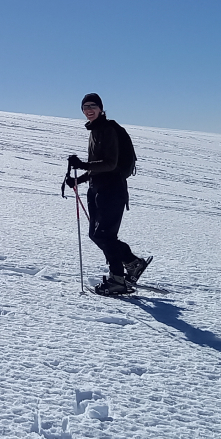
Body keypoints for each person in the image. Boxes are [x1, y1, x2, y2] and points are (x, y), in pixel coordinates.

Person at [66, 93, 149, 295]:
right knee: (96, 234)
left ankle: (117, 280)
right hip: (98, 189)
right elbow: (98, 168)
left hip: (112, 190)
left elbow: (110, 164)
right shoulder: (95, 131)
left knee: (105, 235)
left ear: (101, 108)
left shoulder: (108, 129)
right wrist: (79, 179)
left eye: (93, 106)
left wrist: (82, 165)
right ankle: (132, 263)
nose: (89, 110)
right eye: (85, 107)